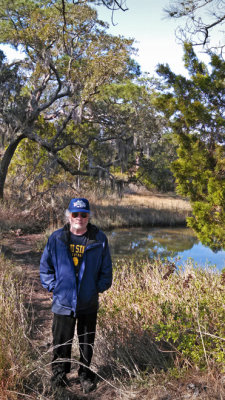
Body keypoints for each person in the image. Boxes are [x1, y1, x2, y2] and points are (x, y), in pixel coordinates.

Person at [40, 197, 112, 393]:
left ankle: (85, 375)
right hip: (63, 301)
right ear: (69, 216)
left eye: (84, 214)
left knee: (86, 342)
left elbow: (107, 269)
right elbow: (45, 267)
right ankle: (59, 375)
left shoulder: (99, 239)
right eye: (75, 214)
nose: (79, 218)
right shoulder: (56, 238)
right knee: (61, 342)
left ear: (88, 216)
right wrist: (54, 287)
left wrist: (97, 288)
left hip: (88, 302)